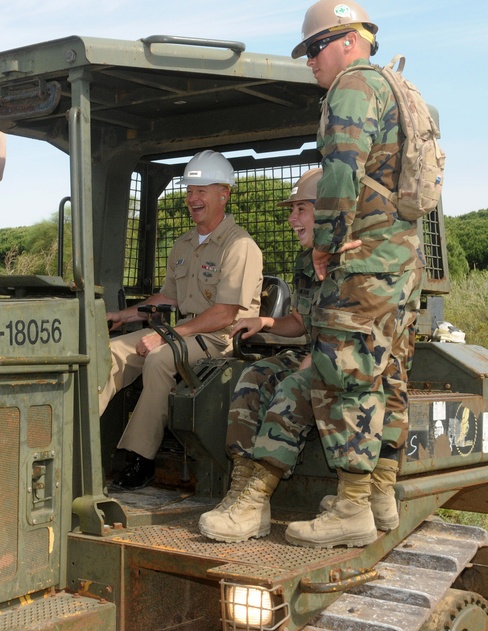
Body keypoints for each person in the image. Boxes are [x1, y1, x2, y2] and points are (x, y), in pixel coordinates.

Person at [283, 0, 423, 547]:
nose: (311, 61)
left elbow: (342, 167)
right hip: (399, 261)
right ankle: (381, 494)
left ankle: (350, 509)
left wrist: (326, 244)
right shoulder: (399, 88)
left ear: (349, 40)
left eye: (316, 48)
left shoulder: (353, 86)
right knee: (388, 376)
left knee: (344, 377)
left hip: (363, 262)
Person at [100, 150, 263, 490]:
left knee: (160, 358)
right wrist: (124, 315)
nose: (193, 198)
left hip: (222, 337)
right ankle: (80, 441)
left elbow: (224, 314)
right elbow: (168, 297)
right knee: (111, 351)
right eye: (189, 190)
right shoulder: (185, 243)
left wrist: (165, 336)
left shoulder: (240, 245)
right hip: (186, 332)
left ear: (224, 193)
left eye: (202, 190)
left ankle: (139, 458)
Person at [199, 169, 329, 541]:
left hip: (347, 356)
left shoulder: (352, 260)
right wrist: (268, 321)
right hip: (314, 349)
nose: (292, 219)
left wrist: (317, 356)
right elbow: (301, 322)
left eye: (301, 209)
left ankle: (257, 496)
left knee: (292, 388)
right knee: (253, 377)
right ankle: (241, 485)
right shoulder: (308, 262)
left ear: (328, 211)